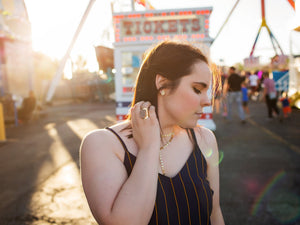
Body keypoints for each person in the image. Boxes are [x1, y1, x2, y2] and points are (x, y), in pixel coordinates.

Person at [80, 40, 225, 225]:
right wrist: (149, 147)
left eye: (208, 92)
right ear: (163, 84)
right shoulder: (102, 144)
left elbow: (215, 213)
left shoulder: (205, 139)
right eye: (197, 89)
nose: (207, 101)